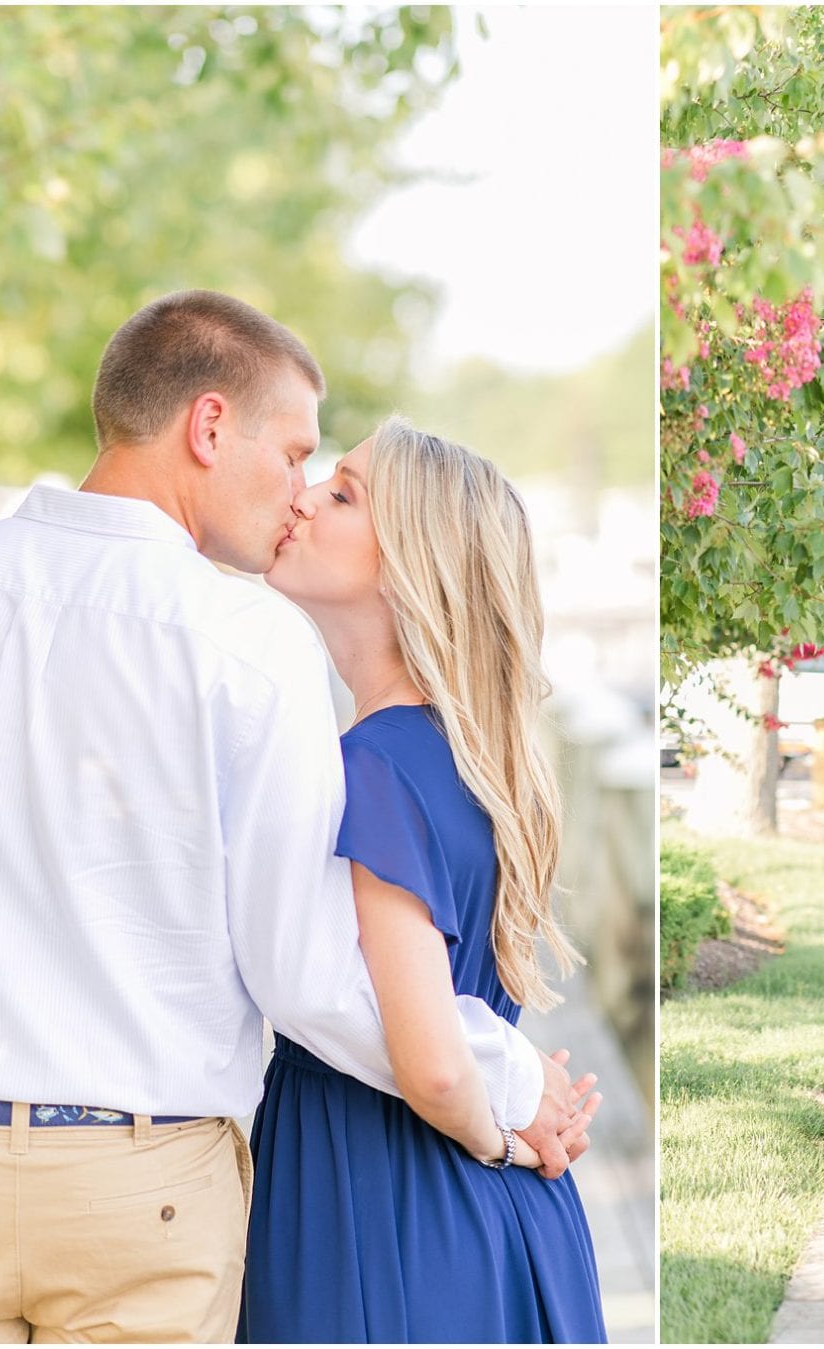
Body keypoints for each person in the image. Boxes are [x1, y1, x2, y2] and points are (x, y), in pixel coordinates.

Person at [0, 291, 595, 1342]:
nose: (300, 492)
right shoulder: (242, 641)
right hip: (144, 1182)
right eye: (299, 454)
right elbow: (304, 968)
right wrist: (512, 1078)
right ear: (211, 427)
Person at [239, 417, 607, 1343]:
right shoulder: (462, 759)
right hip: (484, 1213)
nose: (305, 496)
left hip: (386, 1206)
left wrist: (503, 1129)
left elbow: (436, 1061)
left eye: (345, 492)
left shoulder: (376, 764)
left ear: (411, 564)